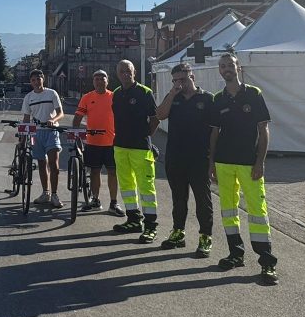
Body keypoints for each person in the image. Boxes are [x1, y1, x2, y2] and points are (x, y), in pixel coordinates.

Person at [208, 52, 277, 284]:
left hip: (249, 163)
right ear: (219, 70)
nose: (226, 68)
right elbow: (214, 133)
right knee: (228, 210)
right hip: (224, 162)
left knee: (257, 211)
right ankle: (235, 254)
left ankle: (267, 262)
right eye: (222, 66)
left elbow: (263, 130)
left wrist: (260, 161)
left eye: (230, 65)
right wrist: (211, 163)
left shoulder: (254, 94)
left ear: (238, 68)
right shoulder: (218, 99)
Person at [155, 62, 214, 256]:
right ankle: (178, 232)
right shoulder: (174, 97)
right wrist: (172, 93)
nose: (180, 83)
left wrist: (212, 160)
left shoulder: (207, 99)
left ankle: (205, 236)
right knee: (179, 199)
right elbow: (160, 115)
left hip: (199, 159)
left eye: (183, 79)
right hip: (175, 157)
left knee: (202, 201)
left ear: (193, 77)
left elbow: (215, 131)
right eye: (175, 80)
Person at [111, 60, 161, 242]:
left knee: (146, 189)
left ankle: (151, 226)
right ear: (117, 74)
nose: (125, 74)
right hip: (120, 146)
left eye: (128, 71)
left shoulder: (145, 92)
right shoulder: (116, 94)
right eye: (122, 71)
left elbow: (155, 119)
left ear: (135, 72)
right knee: (127, 186)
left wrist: (145, 136)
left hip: (140, 148)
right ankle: (133, 220)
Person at [72, 69, 122, 214]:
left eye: (103, 79)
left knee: (113, 173)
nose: (100, 81)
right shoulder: (87, 97)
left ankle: (113, 203)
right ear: (93, 82)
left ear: (108, 81)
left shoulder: (114, 97)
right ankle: (95, 200)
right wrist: (76, 134)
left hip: (112, 142)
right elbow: (78, 117)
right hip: (93, 142)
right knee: (95, 172)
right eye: (97, 79)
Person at [21, 68, 65, 208]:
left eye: (38, 79)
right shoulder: (28, 97)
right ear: (30, 82)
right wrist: (23, 135)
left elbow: (60, 113)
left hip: (51, 131)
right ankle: (45, 193)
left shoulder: (52, 93)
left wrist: (53, 119)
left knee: (54, 164)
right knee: (41, 163)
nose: (36, 82)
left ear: (43, 79)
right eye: (33, 80)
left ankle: (55, 194)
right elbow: (26, 118)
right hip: (36, 133)